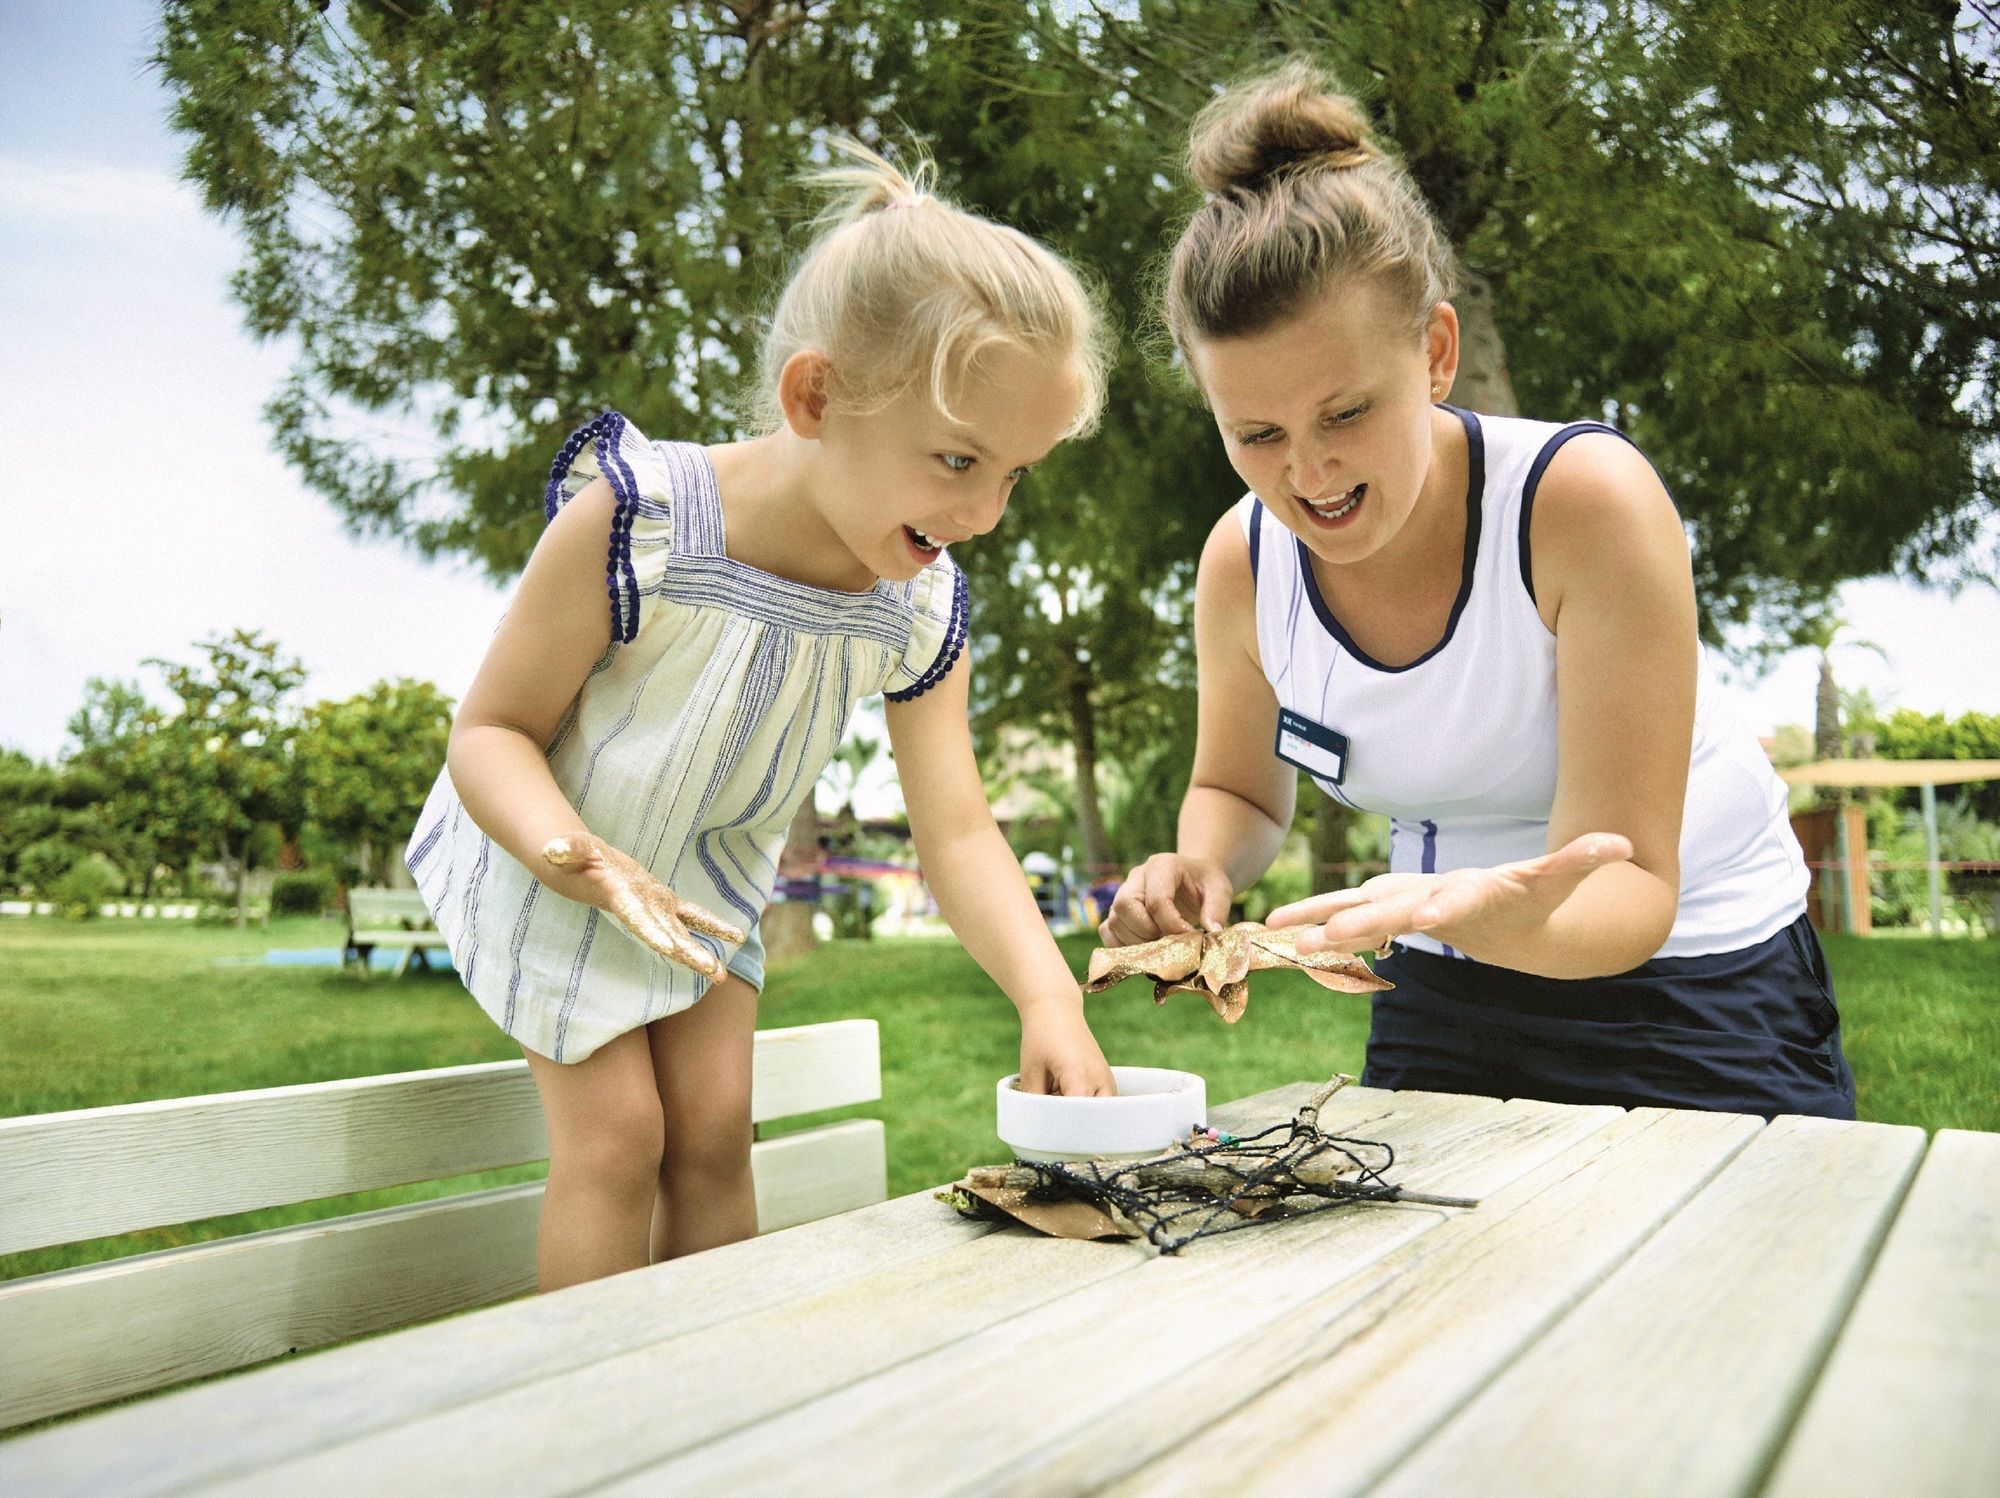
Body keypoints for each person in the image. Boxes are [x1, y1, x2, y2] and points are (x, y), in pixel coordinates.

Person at [406, 141, 1116, 1293]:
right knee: (620, 1136)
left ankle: (711, 1406)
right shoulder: (641, 523)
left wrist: (1046, 992)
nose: (982, 509)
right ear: (814, 396)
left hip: (703, 884)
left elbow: (958, 829)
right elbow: (488, 733)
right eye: (955, 459)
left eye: (1012, 473)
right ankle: (575, 1428)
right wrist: (576, 858)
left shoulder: (913, 595)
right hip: (547, 854)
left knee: (716, 1125)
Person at [1099, 59, 1854, 1121]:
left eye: (1346, 413)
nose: (1306, 475)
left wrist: (1450, 911)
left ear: (1435, 353)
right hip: (1438, 968)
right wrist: (1195, 867)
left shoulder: (1584, 504)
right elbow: (1235, 790)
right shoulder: (1242, 562)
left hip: (1695, 977)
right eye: (1255, 434)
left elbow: (1629, 887)